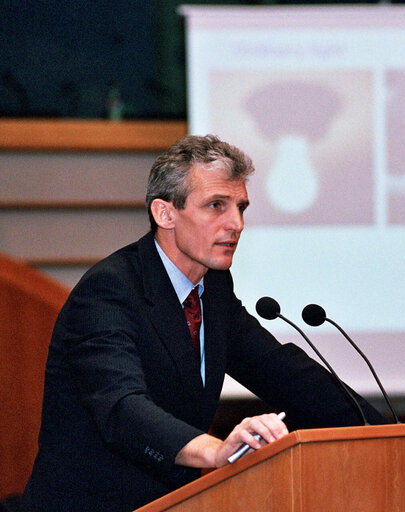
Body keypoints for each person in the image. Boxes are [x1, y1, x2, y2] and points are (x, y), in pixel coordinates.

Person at [22, 134, 384, 511]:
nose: (236, 223)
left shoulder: (212, 287)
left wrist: (382, 434)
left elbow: (284, 374)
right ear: (165, 213)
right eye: (216, 206)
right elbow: (122, 409)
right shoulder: (108, 290)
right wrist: (217, 450)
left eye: (241, 207)